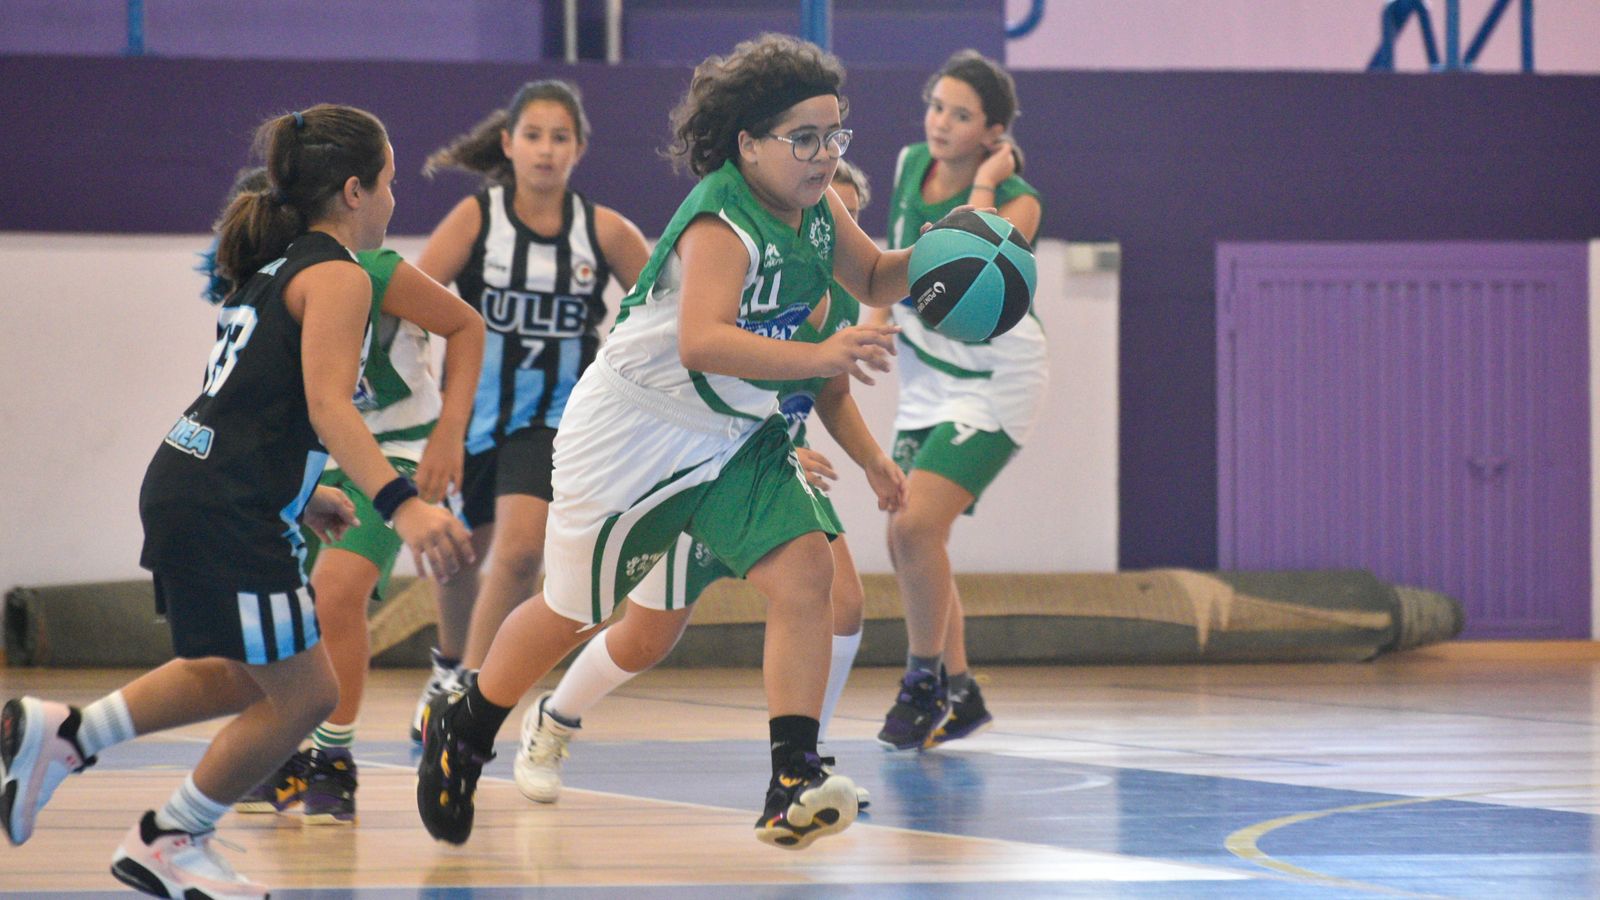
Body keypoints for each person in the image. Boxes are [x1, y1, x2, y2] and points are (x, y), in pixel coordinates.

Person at [414, 33, 912, 851]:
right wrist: (822, 354)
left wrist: (951, 254)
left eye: (835, 136)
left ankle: (792, 777)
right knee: (574, 610)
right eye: (806, 140)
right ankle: (465, 725)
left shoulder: (819, 209)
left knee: (805, 569)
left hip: (731, 433)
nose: (825, 156)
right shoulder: (721, 218)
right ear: (748, 145)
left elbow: (875, 278)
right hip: (635, 430)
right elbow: (702, 343)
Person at [0, 105, 472, 900]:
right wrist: (403, 504)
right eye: (390, 183)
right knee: (308, 695)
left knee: (239, 673)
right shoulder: (341, 276)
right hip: (221, 503)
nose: (396, 200)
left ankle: (65, 735)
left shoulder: (279, 268)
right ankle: (170, 837)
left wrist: (304, 490)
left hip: (196, 483)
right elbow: (330, 408)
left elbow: (257, 402)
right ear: (354, 191)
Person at [512, 161, 897, 809]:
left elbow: (830, 390)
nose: (829, 229)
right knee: (645, 638)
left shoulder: (837, 296)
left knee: (835, 596)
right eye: (830, 214)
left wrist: (872, 461)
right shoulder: (740, 272)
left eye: (847, 220)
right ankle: (551, 724)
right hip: (686, 457)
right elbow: (707, 360)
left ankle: (805, 761)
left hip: (763, 465)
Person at [199, 171, 487, 826]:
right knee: (277, 608)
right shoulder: (270, 286)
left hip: (398, 452)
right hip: (315, 458)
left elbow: (467, 327)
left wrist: (450, 432)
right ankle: (279, 748)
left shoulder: (377, 271)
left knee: (337, 593)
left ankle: (333, 755)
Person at [408, 80, 651, 739]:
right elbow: (412, 305)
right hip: (464, 419)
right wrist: (419, 406)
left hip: (554, 421)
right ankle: (448, 670)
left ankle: (468, 696)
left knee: (518, 555)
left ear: (579, 149)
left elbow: (671, 309)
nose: (546, 150)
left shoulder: (602, 230)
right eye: (535, 136)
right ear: (510, 144)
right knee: (455, 556)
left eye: (560, 137)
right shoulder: (475, 220)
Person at [869, 50, 1044, 751]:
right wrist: (873, 319)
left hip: (996, 378)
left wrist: (987, 185)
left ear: (993, 133)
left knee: (913, 529)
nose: (940, 122)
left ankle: (922, 680)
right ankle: (962, 691)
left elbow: (974, 266)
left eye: (961, 114)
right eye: (937, 105)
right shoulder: (912, 163)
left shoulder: (1020, 200)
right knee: (911, 538)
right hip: (927, 375)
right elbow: (894, 258)